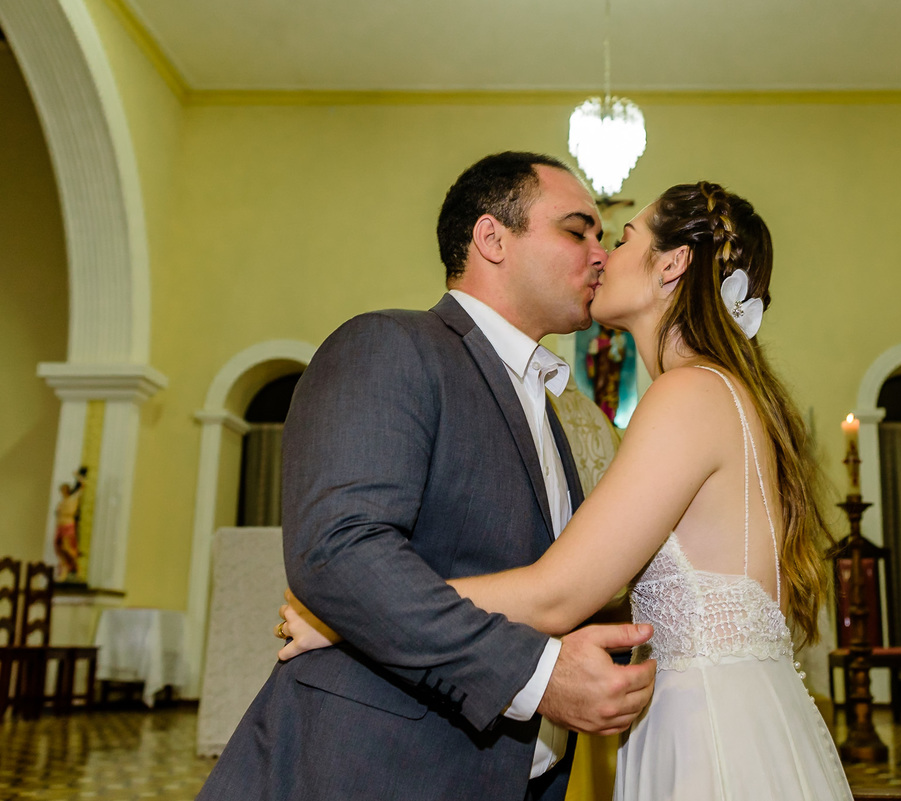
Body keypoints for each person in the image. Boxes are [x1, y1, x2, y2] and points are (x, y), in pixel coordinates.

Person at [281, 181, 855, 799]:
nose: (603, 254)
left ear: (673, 263)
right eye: (583, 235)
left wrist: (350, 619)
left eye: (621, 237)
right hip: (722, 716)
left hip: (706, 735)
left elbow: (555, 594)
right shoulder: (721, 394)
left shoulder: (687, 395)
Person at [198, 152, 658, 801]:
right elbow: (340, 553)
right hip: (373, 769)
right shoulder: (390, 345)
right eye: (577, 230)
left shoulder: (555, 413)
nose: (601, 254)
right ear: (492, 237)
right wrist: (536, 676)